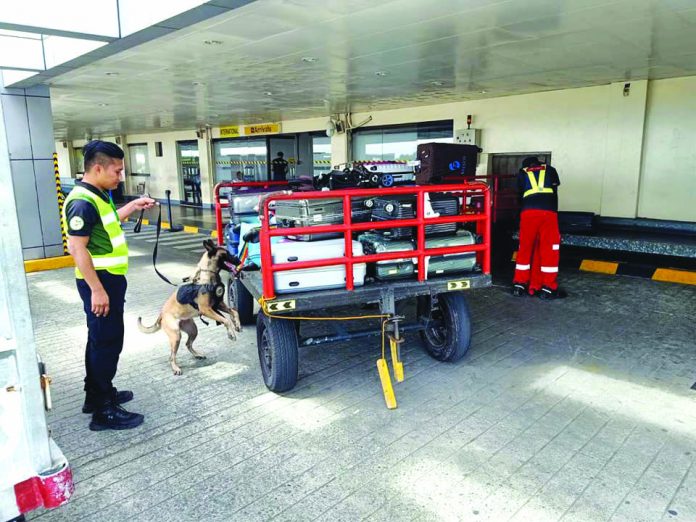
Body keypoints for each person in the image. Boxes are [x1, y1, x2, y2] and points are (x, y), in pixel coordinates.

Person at [63, 140, 156, 431]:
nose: (120, 177)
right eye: (117, 171)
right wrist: (97, 289)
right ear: (98, 168)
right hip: (100, 282)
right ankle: (103, 411)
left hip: (109, 280)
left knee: (101, 339)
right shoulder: (82, 201)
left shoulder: (98, 195)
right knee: (107, 342)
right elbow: (76, 248)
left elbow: (110, 221)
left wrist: (133, 205)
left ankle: (96, 395)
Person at [512, 156, 567, 299]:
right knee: (549, 249)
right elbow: (554, 191)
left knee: (525, 247)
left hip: (528, 212)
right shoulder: (550, 169)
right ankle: (548, 287)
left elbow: (519, 194)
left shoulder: (522, 172)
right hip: (548, 212)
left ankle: (519, 284)